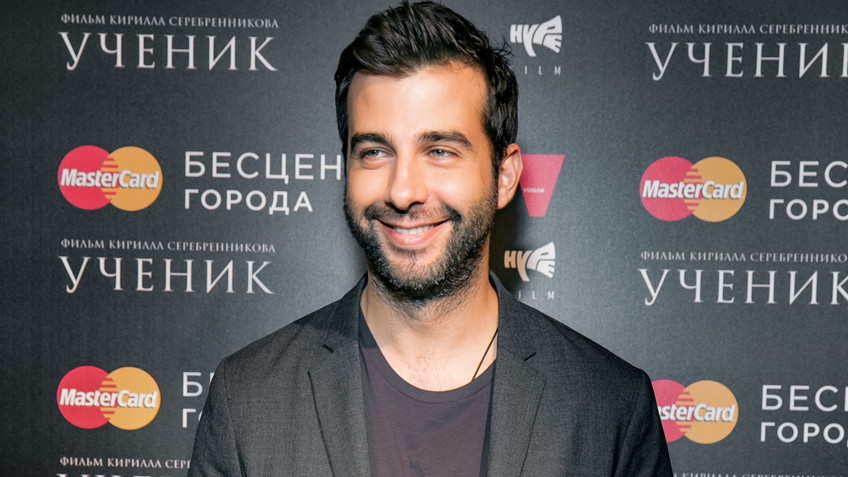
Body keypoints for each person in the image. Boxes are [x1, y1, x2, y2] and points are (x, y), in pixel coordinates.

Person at [189, 2, 673, 475]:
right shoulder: (247, 399)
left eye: (439, 151)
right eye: (375, 152)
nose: (403, 191)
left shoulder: (611, 407)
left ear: (504, 176)